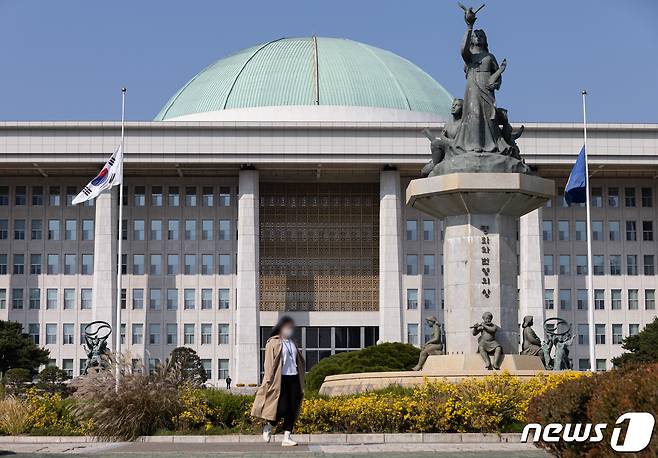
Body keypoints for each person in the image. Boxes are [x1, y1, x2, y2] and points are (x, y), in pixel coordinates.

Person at [251, 316, 305, 447]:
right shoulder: (273, 342)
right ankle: (269, 426)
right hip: (280, 379)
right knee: (282, 407)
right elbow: (269, 362)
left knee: (293, 408)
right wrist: (268, 379)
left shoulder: (292, 342)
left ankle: (287, 436)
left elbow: (298, 361)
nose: (289, 330)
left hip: (294, 378)